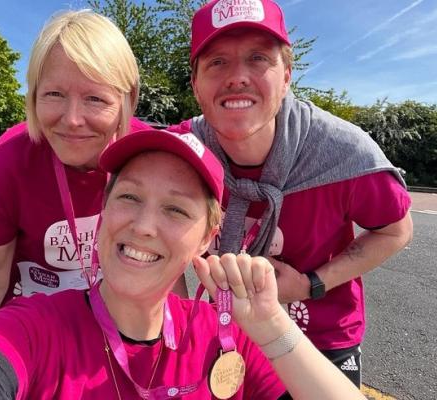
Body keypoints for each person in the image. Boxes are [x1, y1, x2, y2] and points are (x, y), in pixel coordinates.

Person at [0, 128, 366, 400]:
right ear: (105, 214)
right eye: (129, 197)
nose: (144, 226)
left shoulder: (230, 337)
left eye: (176, 210)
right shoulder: (34, 328)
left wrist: (272, 327)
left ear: (208, 238)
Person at [167, 0, 413, 388]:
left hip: (321, 337)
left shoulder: (342, 152)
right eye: (217, 62)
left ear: (286, 77)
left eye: (258, 58)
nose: (237, 77)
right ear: (195, 83)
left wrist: (310, 283)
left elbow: (396, 230)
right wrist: (179, 312)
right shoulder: (181, 151)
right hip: (222, 333)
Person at [0, 9, 156, 353]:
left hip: (120, 330)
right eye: (54, 95)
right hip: (29, 332)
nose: (72, 120)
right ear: (33, 94)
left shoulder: (152, 157)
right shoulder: (4, 165)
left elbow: (167, 285)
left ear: (127, 99)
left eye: (95, 98)